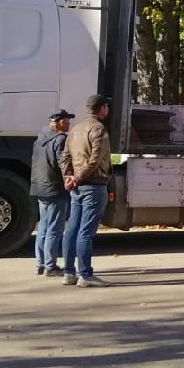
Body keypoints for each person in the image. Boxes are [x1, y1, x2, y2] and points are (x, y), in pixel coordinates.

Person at [59, 94, 114, 287]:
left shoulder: (75, 129)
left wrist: (68, 177)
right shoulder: (98, 128)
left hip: (76, 187)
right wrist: (78, 177)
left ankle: (68, 273)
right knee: (86, 232)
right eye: (107, 107)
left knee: (72, 229)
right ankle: (86, 275)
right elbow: (96, 159)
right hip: (94, 185)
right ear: (102, 108)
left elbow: (64, 157)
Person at [30, 108, 74, 277]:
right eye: (66, 120)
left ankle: (40, 264)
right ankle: (51, 266)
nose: (69, 123)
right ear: (59, 122)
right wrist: (70, 179)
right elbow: (63, 164)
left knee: (43, 226)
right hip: (55, 189)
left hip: (40, 187)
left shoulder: (40, 139)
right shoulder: (60, 140)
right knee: (54, 229)